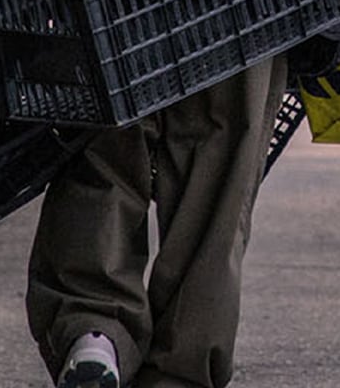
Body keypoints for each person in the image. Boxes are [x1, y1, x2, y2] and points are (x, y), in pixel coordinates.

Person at [24, 54, 291, 388]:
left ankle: (94, 328)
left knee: (108, 126)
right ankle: (180, 370)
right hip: (242, 8)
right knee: (219, 160)